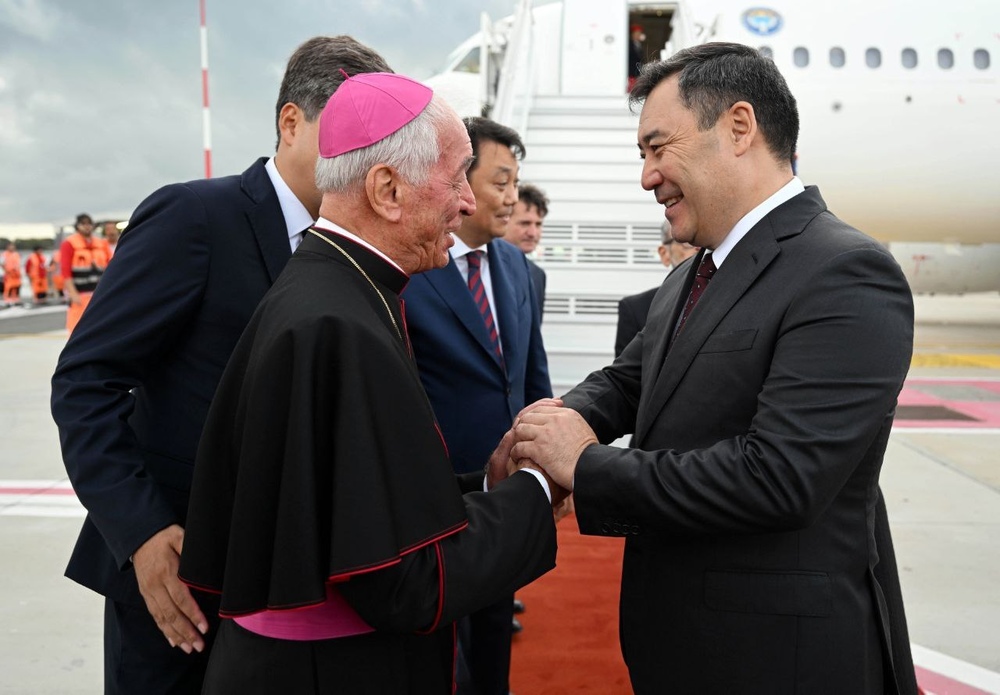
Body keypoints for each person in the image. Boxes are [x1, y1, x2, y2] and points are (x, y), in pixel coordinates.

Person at [510, 43, 918, 694]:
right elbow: (628, 381)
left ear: (738, 127)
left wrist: (586, 466)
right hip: (678, 644)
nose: (647, 177)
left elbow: (780, 477)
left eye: (657, 148)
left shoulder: (845, 271)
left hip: (776, 662)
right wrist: (553, 424)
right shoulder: (692, 274)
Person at [178, 72, 564, 695]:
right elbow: (405, 580)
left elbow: (366, 501)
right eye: (456, 178)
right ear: (387, 189)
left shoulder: (333, 291)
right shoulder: (340, 322)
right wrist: (537, 488)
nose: (468, 203)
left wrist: (489, 487)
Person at [50, 36, 392, 695]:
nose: (365, 155)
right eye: (349, 131)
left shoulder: (353, 247)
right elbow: (86, 382)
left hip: (295, 588)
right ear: (291, 122)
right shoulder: (196, 218)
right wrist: (142, 531)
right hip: (179, 582)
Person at [403, 117, 552, 695]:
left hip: (503, 495)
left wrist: (541, 460)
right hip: (434, 501)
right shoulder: (416, 267)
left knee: (493, 644)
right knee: (438, 652)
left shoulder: (518, 268)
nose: (512, 197)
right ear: (461, 181)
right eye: (501, 182)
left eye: (516, 182)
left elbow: (530, 374)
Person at [614, 219, 698, 357]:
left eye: (704, 242)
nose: (698, 248)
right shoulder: (635, 309)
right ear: (665, 254)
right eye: (688, 242)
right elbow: (626, 369)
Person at [58, 213, 111, 333]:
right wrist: (73, 293)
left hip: (99, 292)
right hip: (80, 293)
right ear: (77, 226)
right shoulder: (69, 244)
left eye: (89, 223)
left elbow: (111, 265)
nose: (87, 226)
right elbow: (65, 271)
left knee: (101, 326)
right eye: (83, 224)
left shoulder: (102, 244)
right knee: (77, 327)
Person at [503, 182, 549, 318]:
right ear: (503, 219)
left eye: (538, 224)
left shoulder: (537, 275)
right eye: (525, 223)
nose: (532, 233)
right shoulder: (480, 266)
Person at [1, 242, 22, 307]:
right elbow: (1, 263)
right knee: (9, 287)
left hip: (16, 274)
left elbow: (18, 264)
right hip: (9, 274)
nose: (12, 247)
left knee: (16, 287)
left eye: (13, 246)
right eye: (10, 246)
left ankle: (15, 300)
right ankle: (8, 300)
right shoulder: (4, 254)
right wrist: (6, 271)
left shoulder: (16, 254)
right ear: (7, 247)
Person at [627, 24, 646, 90]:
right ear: (633, 34)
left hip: (638, 73)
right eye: (637, 33)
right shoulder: (629, 44)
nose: (639, 35)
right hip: (631, 73)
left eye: (639, 33)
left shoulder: (639, 45)